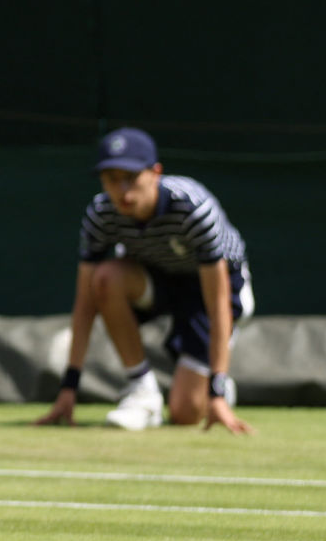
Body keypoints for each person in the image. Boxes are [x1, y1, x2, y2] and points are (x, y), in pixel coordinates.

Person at [34, 127, 255, 435]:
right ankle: (143, 392)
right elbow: (85, 303)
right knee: (105, 277)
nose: (123, 191)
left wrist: (216, 392)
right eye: (112, 179)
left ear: (155, 173)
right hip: (157, 277)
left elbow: (218, 304)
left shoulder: (193, 208)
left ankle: (215, 387)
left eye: (132, 177)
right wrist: (69, 388)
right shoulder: (101, 214)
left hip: (212, 289)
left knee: (184, 413)